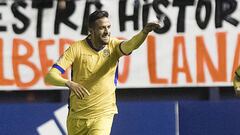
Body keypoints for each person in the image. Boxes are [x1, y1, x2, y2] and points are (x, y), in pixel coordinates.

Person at [45, 10, 161, 135]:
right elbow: (50, 77)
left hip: (103, 114)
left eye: (108, 27)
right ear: (91, 30)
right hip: (77, 117)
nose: (107, 32)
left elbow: (130, 45)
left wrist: (144, 32)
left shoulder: (114, 46)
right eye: (101, 28)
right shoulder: (76, 49)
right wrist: (69, 83)